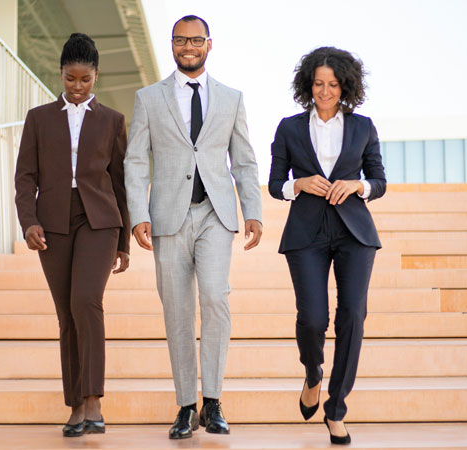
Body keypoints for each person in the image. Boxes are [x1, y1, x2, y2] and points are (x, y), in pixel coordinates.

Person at [124, 15, 263, 440]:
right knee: (178, 311)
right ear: (172, 44)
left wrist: (252, 209)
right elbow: (134, 160)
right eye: (181, 39)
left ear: (208, 44)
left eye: (196, 39)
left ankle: (214, 402)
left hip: (216, 214)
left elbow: (243, 159)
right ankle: (186, 405)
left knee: (216, 301)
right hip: (168, 216)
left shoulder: (231, 98)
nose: (189, 46)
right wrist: (138, 213)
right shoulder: (148, 98)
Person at [268, 47, 386, 445]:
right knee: (314, 319)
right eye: (318, 84)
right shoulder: (289, 128)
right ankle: (313, 373)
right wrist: (297, 185)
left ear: (345, 86)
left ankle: (336, 409)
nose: (325, 91)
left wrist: (357, 185)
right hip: (306, 234)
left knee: (352, 314)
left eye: (333, 84)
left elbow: (379, 182)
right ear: (308, 85)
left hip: (354, 232)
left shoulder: (363, 127)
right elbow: (274, 184)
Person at [14, 33, 130, 438]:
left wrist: (123, 242)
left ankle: (94, 398)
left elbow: (120, 182)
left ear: (96, 75)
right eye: (69, 79)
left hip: (99, 221)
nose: (77, 87)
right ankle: (76, 404)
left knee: (86, 301)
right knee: (67, 316)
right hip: (53, 223)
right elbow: (25, 177)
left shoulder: (114, 121)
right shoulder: (38, 118)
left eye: (84, 79)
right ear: (60, 75)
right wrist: (28, 221)